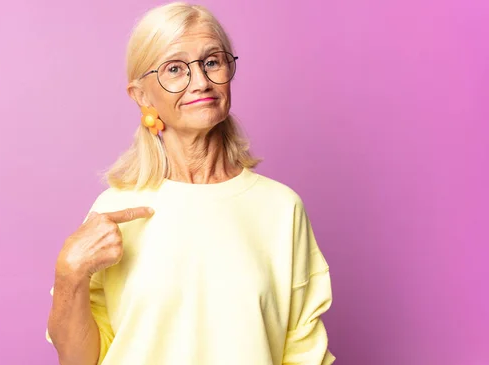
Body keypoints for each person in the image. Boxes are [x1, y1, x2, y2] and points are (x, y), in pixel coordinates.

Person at [46, 2, 335, 365]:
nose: (200, 82)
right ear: (141, 95)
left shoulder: (281, 209)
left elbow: (302, 354)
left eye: (212, 62)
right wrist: (69, 273)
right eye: (175, 69)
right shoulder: (113, 211)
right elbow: (78, 360)